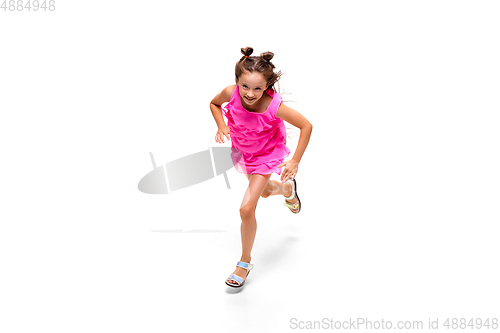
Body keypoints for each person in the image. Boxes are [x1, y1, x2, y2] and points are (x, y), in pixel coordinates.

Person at [209, 47, 313, 288]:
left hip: (267, 154)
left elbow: (306, 126)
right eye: (245, 86)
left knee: (246, 209)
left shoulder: (273, 105)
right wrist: (221, 125)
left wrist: (295, 160)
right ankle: (287, 191)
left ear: (266, 87)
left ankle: (244, 263)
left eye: (257, 88)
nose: (250, 93)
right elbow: (214, 104)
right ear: (237, 82)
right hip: (245, 153)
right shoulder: (229, 93)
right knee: (265, 191)